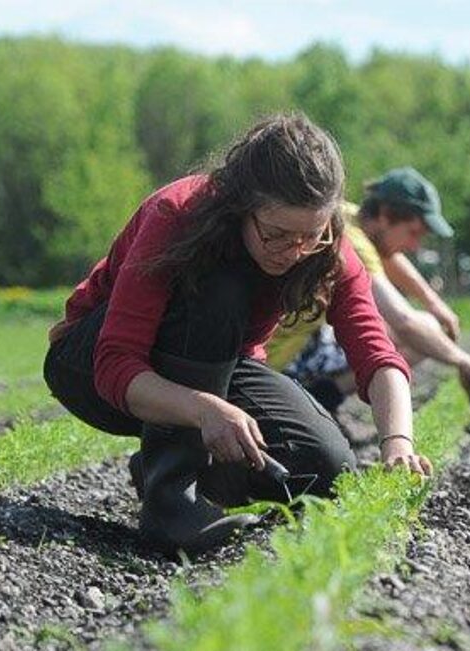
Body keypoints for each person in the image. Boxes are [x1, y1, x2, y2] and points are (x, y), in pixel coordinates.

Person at [43, 114, 429, 555]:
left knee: (325, 467)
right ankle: (172, 507)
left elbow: (376, 355)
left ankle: (172, 467)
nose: (294, 252)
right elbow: (115, 363)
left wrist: (398, 444)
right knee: (219, 288)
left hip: (214, 365)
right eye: (277, 234)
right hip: (89, 363)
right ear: (241, 207)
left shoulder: (328, 250)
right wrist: (203, 409)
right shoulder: (178, 215)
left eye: (311, 235)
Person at [270, 167, 470, 416]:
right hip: (276, 362)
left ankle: (321, 394)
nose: (414, 245)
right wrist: (464, 361)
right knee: (422, 331)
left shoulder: (347, 215)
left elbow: (391, 258)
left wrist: (432, 302)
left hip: (299, 337)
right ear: (386, 215)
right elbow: (405, 321)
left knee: (426, 326)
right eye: (414, 232)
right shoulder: (356, 244)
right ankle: (318, 397)